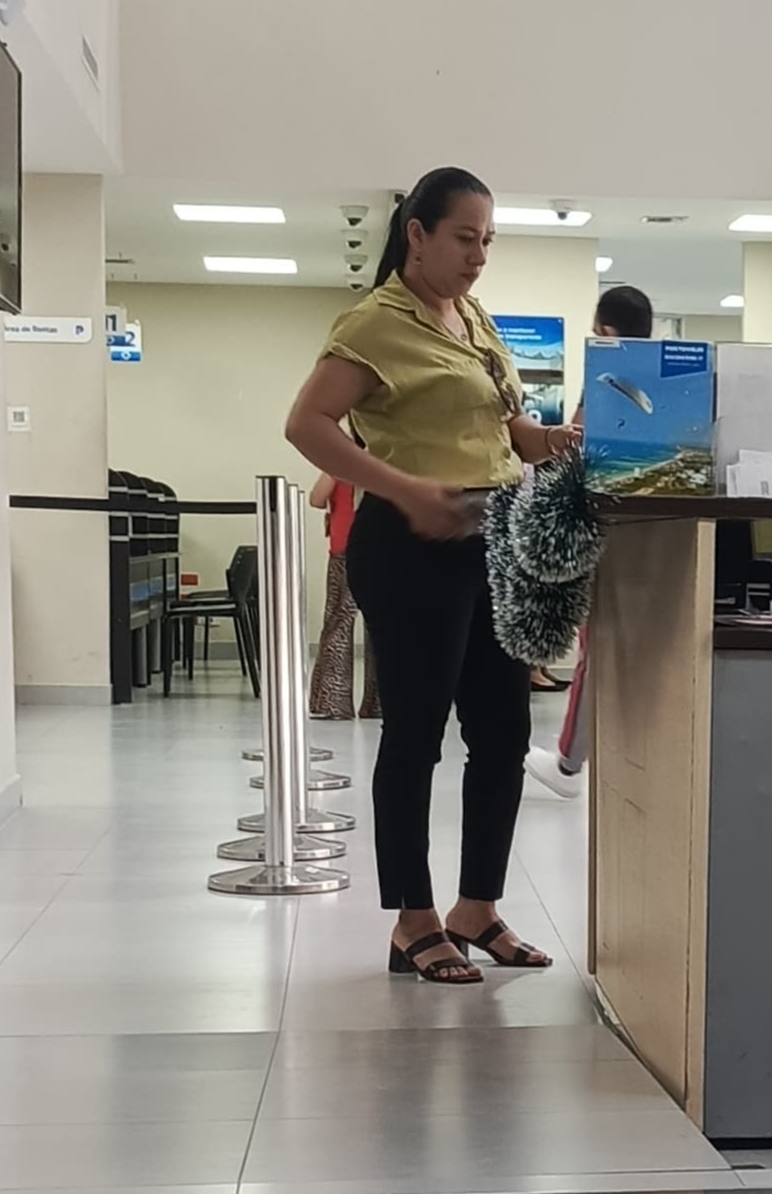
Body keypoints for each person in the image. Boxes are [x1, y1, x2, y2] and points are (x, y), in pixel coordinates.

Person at [285, 167, 581, 985]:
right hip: (410, 539)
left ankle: (475, 907)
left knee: (503, 731)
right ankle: (412, 919)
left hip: (492, 534)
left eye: (487, 241)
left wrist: (550, 440)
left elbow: (506, 429)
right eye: (464, 238)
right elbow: (306, 423)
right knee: (416, 732)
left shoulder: (472, 318)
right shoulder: (375, 323)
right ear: (416, 234)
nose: (478, 255)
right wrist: (403, 487)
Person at [525, 284, 655, 800]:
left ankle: (568, 764)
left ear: (604, 330)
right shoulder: (672, 376)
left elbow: (578, 444)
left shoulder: (606, 375)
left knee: (595, 647)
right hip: (658, 529)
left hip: (606, 527)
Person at [307, 464, 381, 721]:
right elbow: (316, 499)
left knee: (347, 623)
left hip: (361, 550)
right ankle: (362, 702)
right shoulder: (348, 464)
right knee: (351, 623)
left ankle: (336, 701)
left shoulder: (367, 462)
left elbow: (317, 499)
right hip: (355, 551)